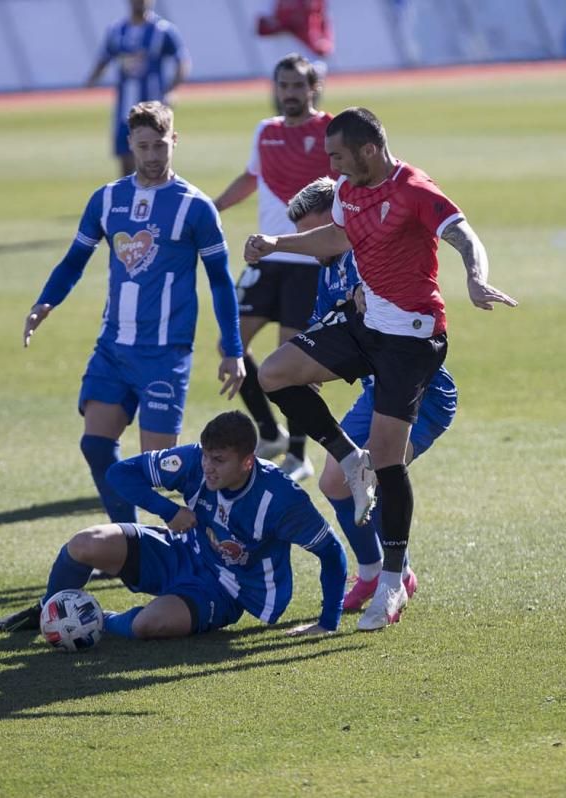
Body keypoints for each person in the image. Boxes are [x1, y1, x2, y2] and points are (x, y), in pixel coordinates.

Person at [245, 107, 516, 630]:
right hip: (370, 343)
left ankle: (392, 579)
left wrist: (476, 279)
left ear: (368, 150)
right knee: (278, 378)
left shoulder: (413, 188)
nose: (330, 165)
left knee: (386, 464)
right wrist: (278, 243)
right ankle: (357, 487)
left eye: (337, 155)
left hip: (415, 351)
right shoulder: (345, 201)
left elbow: (465, 235)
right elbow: (334, 241)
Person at [23, 101, 245, 527]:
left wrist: (233, 349)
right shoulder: (107, 199)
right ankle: (130, 537)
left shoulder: (196, 207)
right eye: (144, 146)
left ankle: (206, 535)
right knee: (96, 445)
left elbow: (220, 281)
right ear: (130, 145)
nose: (153, 156)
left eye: (161, 145)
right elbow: (74, 260)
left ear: (174, 142)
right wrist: (46, 301)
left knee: (160, 470)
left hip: (165, 351)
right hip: (113, 346)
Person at [0, 410, 346, 638]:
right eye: (206, 456)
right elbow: (120, 473)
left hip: (224, 591)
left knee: (149, 625)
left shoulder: (281, 499)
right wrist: (168, 510)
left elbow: (331, 551)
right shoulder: (194, 461)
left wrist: (327, 622)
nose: (207, 467)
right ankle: (48, 610)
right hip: (180, 551)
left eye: (219, 460)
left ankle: (92, 619)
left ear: (248, 462)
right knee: (85, 543)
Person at [285, 177, 458, 614]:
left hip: (424, 394)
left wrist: (372, 297)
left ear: (335, 220)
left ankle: (397, 577)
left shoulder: (369, 256)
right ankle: (370, 571)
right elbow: (321, 328)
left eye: (313, 233)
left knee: (378, 475)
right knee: (334, 480)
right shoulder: (327, 271)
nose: (308, 244)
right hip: (374, 392)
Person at [213, 54, 334, 482]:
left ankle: (300, 455)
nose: (289, 93)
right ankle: (269, 431)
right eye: (283, 85)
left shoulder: (329, 132)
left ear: (312, 88)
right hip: (266, 260)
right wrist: (215, 207)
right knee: (231, 344)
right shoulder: (266, 132)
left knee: (293, 361)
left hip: (308, 261)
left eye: (297, 85)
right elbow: (251, 177)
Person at [87, 0, 191, 177]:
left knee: (155, 157)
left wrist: (171, 89)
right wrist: (91, 81)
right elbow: (104, 57)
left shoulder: (162, 30)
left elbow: (182, 61)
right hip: (125, 105)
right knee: (126, 158)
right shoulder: (117, 30)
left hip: (153, 105)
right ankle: (128, 200)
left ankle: (157, 198)